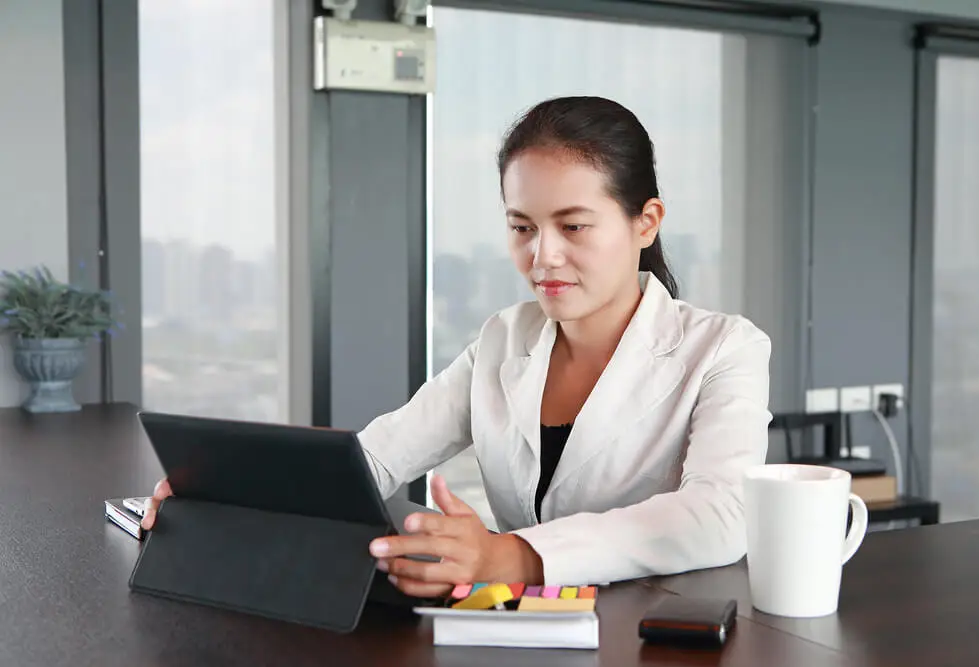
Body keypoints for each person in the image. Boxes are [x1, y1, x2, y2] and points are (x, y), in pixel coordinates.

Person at [142, 95, 772, 598]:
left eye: (573, 226)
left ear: (646, 222)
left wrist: (513, 555)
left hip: (655, 642)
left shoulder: (724, 349)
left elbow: (721, 514)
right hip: (520, 636)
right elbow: (377, 458)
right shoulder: (504, 339)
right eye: (521, 227)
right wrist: (232, 490)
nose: (542, 256)